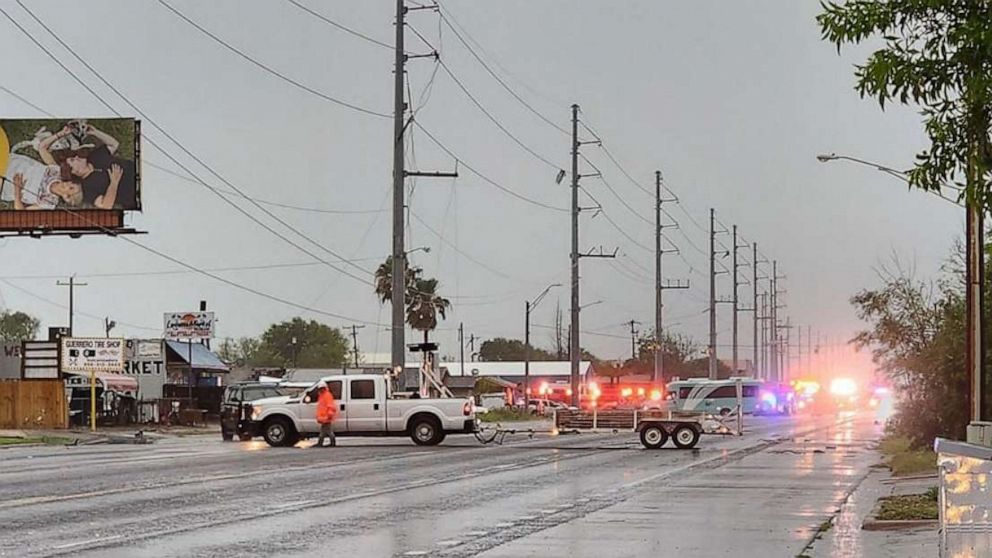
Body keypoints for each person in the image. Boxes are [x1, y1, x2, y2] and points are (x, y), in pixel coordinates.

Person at [61, 123, 138, 210]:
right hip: (135, 193)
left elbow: (114, 144)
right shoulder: (87, 188)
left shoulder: (93, 157)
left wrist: (95, 132)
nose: (76, 157)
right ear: (74, 171)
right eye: (72, 160)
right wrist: (114, 183)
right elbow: (106, 205)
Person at [315, 381, 337, 448]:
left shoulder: (327, 395)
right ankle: (322, 443)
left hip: (326, 416)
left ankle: (322, 443)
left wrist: (329, 415)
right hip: (323, 417)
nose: (321, 389)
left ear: (325, 388)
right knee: (325, 431)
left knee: (327, 431)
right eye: (320, 388)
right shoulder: (322, 396)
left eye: (322, 388)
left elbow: (330, 406)